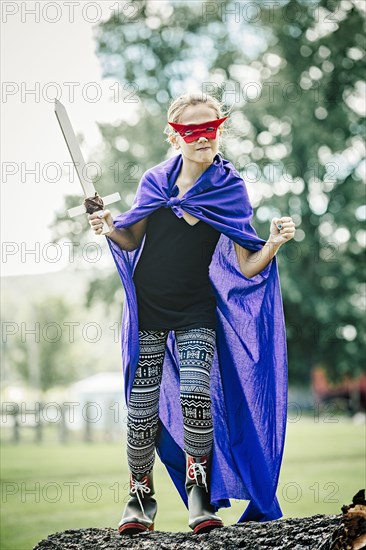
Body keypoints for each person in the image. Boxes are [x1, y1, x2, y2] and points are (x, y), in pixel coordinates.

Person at [88, 91, 296, 536]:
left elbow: (245, 263)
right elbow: (130, 239)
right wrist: (109, 226)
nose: (203, 138)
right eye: (192, 130)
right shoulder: (155, 181)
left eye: (211, 128)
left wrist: (274, 244)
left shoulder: (229, 187)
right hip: (150, 307)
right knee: (142, 406)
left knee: (196, 396)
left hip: (195, 308)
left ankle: (199, 495)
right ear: (174, 136)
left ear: (220, 129)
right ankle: (139, 497)